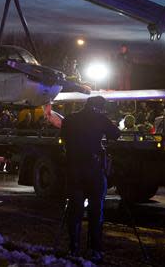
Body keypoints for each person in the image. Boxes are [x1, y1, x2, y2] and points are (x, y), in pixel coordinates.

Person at [60, 96, 120, 263]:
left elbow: (63, 138)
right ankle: (95, 249)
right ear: (99, 107)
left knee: (75, 210)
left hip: (74, 170)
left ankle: (74, 247)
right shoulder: (100, 118)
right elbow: (116, 134)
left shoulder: (70, 119)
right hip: (94, 170)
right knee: (96, 211)